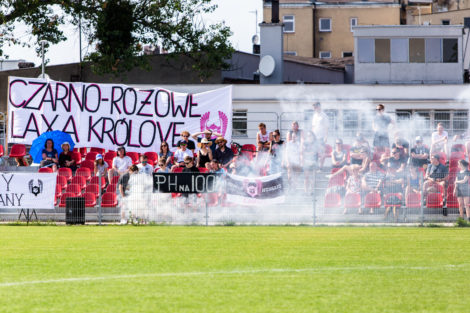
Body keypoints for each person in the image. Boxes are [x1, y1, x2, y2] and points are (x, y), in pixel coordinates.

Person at [311, 102, 329, 168]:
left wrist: (326, 137)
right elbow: (313, 127)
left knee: (322, 152)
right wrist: (311, 136)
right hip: (314, 137)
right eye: (314, 108)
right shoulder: (314, 115)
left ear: (319, 107)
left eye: (315, 107)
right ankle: (315, 167)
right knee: (314, 152)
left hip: (321, 137)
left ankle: (321, 167)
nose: (314, 109)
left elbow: (326, 127)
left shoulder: (324, 116)